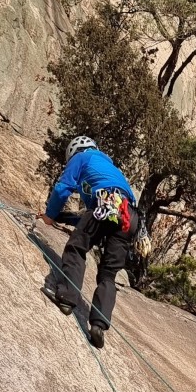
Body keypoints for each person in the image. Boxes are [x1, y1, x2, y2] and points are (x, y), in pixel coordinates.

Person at [42, 135, 139, 348]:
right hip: (129, 217)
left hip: (107, 204)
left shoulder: (83, 157)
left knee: (76, 247)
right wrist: (61, 217)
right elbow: (91, 218)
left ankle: (67, 297)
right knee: (108, 274)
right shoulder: (111, 168)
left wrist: (49, 215)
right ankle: (99, 324)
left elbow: (62, 188)